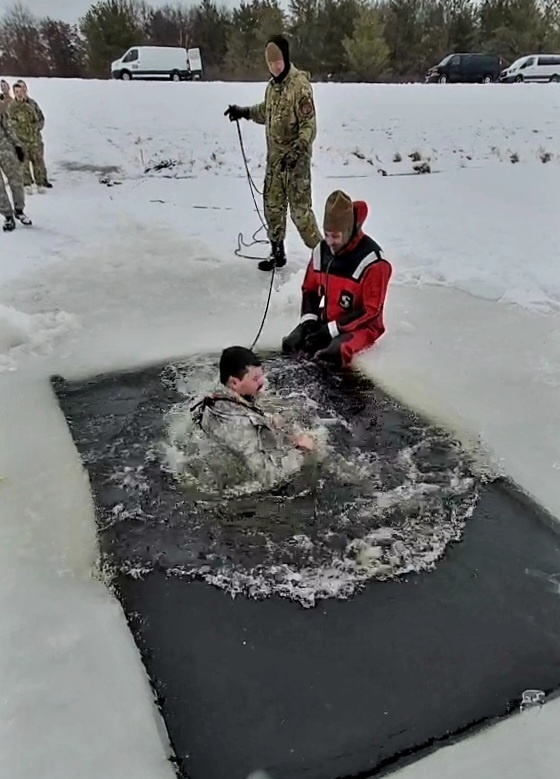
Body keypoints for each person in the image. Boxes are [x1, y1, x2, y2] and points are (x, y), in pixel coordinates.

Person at [225, 35, 322, 272]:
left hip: (296, 163)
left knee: (301, 214)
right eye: (270, 64)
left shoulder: (299, 85)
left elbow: (309, 124)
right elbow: (265, 112)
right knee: (273, 207)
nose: (274, 67)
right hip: (275, 162)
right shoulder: (271, 87)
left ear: (285, 59)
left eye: (277, 62)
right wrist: (244, 112)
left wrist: (299, 148)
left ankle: (324, 256)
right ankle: (277, 252)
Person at [282, 190, 392, 368]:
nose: (330, 241)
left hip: (362, 327)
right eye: (326, 234)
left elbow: (370, 310)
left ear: (348, 232)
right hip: (329, 320)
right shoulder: (321, 250)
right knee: (292, 345)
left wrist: (331, 330)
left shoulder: (374, 262)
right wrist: (308, 323)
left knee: (332, 356)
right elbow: (310, 289)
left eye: (335, 236)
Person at [191, 346, 315, 486]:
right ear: (234, 383)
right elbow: (269, 477)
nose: (262, 382)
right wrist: (300, 452)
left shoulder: (215, 398)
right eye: (255, 378)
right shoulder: (237, 424)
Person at [8, 81, 51, 193]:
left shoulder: (32, 104)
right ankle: (27, 184)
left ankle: (41, 182)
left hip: (35, 140)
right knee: (24, 163)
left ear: (25, 90)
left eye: (21, 90)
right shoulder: (12, 106)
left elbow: (41, 118)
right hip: (21, 140)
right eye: (16, 91)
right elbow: (9, 123)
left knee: (38, 162)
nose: (19, 93)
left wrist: (37, 127)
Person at [0, 107, 31, 232]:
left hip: (5, 148)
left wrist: (17, 145)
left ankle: (19, 210)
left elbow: (8, 128)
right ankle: (7, 216)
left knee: (16, 181)